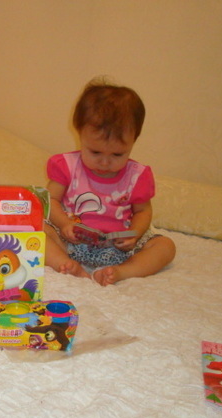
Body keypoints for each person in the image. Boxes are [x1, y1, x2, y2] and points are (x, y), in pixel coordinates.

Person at [44, 78, 175, 286]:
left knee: (166, 246)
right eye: (95, 152)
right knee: (35, 229)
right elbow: (50, 200)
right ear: (80, 133)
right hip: (70, 241)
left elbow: (143, 211)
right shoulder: (67, 165)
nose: (105, 162)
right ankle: (67, 264)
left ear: (134, 140)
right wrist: (65, 224)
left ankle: (121, 272)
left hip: (118, 248)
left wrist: (134, 234)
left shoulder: (137, 176)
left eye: (117, 154)